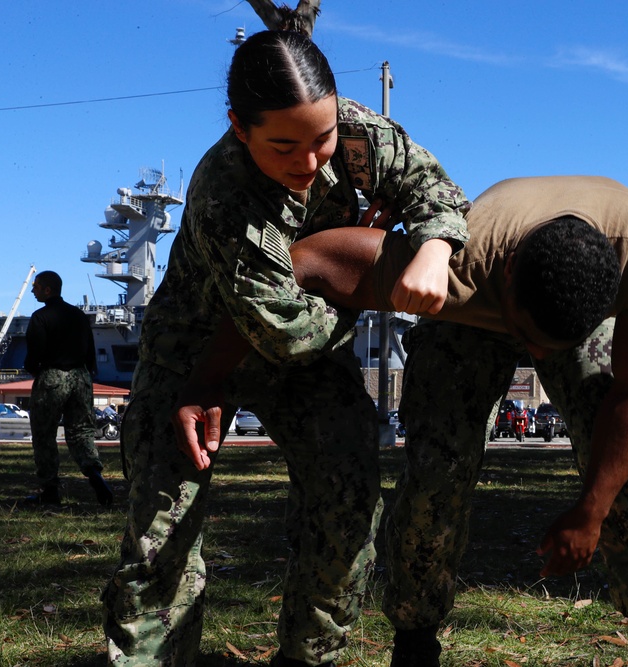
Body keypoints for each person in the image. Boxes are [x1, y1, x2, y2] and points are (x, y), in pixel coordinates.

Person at [100, 22, 469, 667]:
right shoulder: (225, 188)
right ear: (240, 128)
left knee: (348, 494)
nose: (308, 162)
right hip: (194, 354)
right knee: (163, 529)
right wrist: (352, 276)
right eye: (282, 147)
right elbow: (286, 333)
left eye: (321, 139)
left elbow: (440, 195)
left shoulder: (357, 136)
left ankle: (311, 656)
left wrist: (434, 247)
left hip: (302, 351)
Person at [283, 175, 628, 667]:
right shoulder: (459, 264)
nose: (536, 356)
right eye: (529, 338)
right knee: (438, 472)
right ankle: (415, 640)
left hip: (571, 285)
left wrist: (592, 510)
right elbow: (307, 257)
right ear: (506, 276)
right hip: (472, 306)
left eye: (550, 347)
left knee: (625, 462)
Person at [22, 270, 114, 507]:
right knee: (81, 431)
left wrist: (34, 370)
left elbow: (35, 352)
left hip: (53, 376)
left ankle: (50, 491)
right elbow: (90, 349)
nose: (33, 290)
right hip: (81, 377)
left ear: (47, 290)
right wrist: (88, 372)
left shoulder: (40, 317)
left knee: (44, 434)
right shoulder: (79, 315)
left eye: (36, 286)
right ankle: (95, 475)